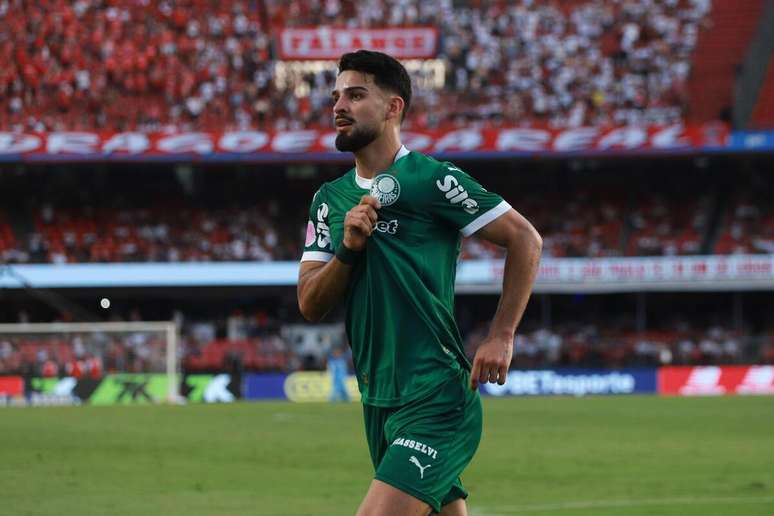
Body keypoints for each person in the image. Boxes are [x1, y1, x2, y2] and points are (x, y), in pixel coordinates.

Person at [297, 50, 542, 516]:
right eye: (336, 96)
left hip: (435, 394)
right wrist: (349, 247)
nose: (338, 107)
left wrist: (502, 335)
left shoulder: (432, 179)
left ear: (393, 108)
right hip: (378, 397)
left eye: (355, 95)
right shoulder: (329, 200)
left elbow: (525, 239)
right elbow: (310, 303)